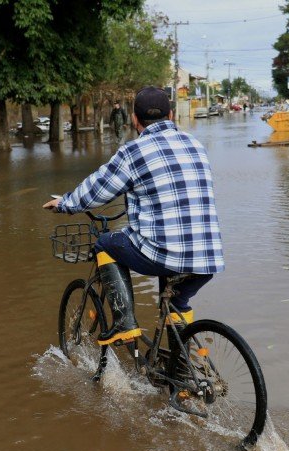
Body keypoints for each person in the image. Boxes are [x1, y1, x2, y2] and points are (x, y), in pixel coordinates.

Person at [43, 86, 224, 346]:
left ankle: (123, 323)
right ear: (171, 115)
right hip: (208, 255)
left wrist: (65, 203)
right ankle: (182, 376)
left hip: (165, 252)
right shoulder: (195, 144)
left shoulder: (133, 152)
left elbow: (97, 190)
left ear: (134, 119)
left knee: (105, 243)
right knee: (176, 302)